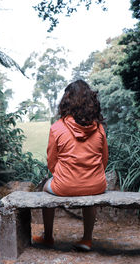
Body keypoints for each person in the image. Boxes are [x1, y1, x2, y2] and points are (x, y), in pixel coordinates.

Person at [32, 80, 108, 252]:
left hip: (64, 185)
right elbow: (104, 159)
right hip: (96, 184)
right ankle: (87, 239)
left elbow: (51, 162)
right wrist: (90, 175)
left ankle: (48, 237)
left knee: (46, 186)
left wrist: (65, 177)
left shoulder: (57, 127)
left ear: (66, 100)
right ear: (90, 100)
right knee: (90, 192)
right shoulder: (99, 128)